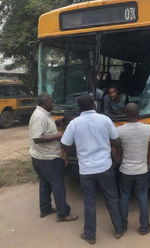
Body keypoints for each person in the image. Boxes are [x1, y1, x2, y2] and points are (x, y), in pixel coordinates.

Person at [61, 94, 123, 245]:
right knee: (112, 198)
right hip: (105, 166)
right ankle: (119, 229)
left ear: (79, 108)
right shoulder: (105, 119)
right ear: (94, 105)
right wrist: (117, 160)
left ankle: (90, 235)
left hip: (86, 170)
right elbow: (116, 140)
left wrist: (73, 151)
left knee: (89, 202)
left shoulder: (74, 123)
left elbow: (64, 144)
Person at [29, 93, 77, 222]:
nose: (53, 104)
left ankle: (45, 208)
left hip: (40, 157)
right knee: (58, 185)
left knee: (45, 184)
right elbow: (37, 138)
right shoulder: (40, 117)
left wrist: (59, 122)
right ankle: (63, 213)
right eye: (51, 102)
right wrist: (58, 135)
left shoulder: (44, 114)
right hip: (48, 158)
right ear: (45, 103)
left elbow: (46, 129)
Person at [117, 103, 150, 235]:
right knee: (142, 197)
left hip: (125, 170)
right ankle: (144, 227)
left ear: (125, 114)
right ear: (139, 114)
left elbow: (117, 150)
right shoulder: (148, 128)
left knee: (124, 197)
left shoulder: (120, 130)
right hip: (142, 170)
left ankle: (122, 225)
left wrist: (119, 162)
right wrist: (148, 164)